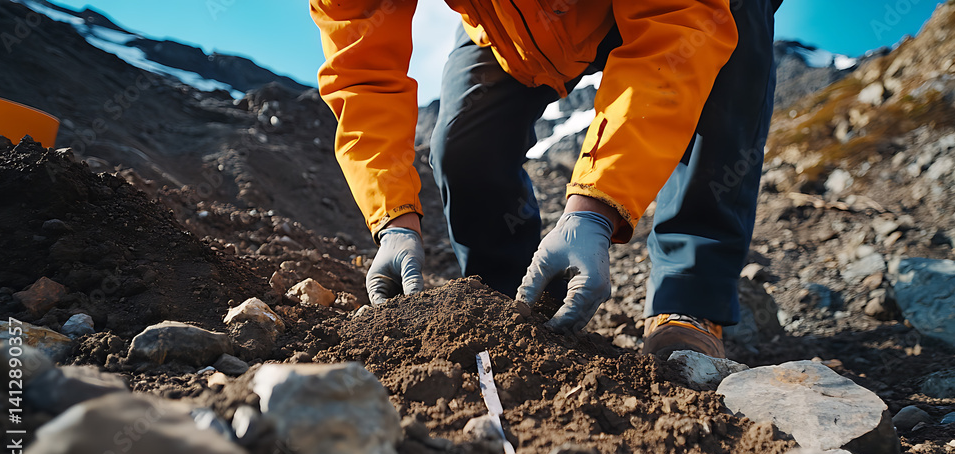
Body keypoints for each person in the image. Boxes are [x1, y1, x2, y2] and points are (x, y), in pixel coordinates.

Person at [310, 0, 778, 359]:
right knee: (463, 146)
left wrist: (594, 211)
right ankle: (518, 303)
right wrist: (394, 222)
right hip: (511, 27)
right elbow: (361, 74)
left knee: (732, 24)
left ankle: (687, 297)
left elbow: (679, 20)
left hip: (685, 10)